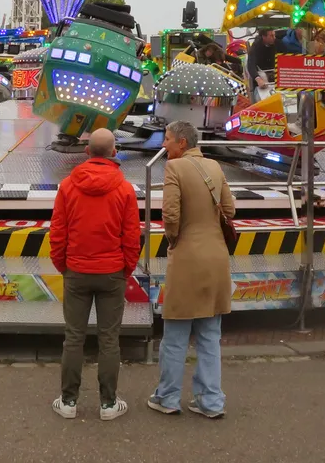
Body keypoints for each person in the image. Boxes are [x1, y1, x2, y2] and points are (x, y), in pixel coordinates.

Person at [48, 128, 140, 421]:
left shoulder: (67, 186)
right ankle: (108, 404)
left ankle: (68, 401)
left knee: (73, 337)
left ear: (86, 151)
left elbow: (58, 232)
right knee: (109, 339)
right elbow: (132, 237)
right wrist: (126, 267)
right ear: (114, 152)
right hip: (112, 271)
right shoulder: (124, 189)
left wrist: (63, 264)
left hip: (76, 270)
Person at [148, 120, 235, 418]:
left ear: (182, 143)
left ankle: (168, 397)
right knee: (210, 335)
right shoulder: (214, 166)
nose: (164, 144)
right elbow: (230, 210)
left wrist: (174, 239)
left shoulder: (175, 169)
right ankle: (211, 402)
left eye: (168, 139)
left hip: (187, 258)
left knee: (175, 335)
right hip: (217, 257)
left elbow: (170, 213)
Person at [245, 29, 277, 101]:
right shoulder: (255, 47)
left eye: (274, 35)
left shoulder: (277, 43)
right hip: (262, 79)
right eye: (271, 36)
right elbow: (251, 64)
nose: (274, 38)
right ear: (264, 37)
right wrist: (258, 79)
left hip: (276, 77)